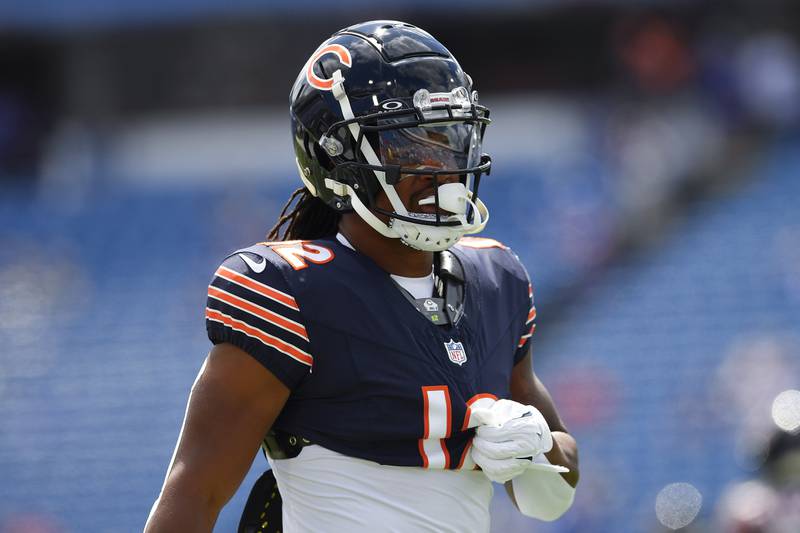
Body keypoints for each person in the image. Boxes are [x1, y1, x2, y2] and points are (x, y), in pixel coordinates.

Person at [145, 20, 579, 533]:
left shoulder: (496, 278)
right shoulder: (293, 290)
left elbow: (555, 487)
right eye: (408, 147)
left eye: (448, 140)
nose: (439, 168)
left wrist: (536, 446)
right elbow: (196, 492)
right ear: (338, 160)